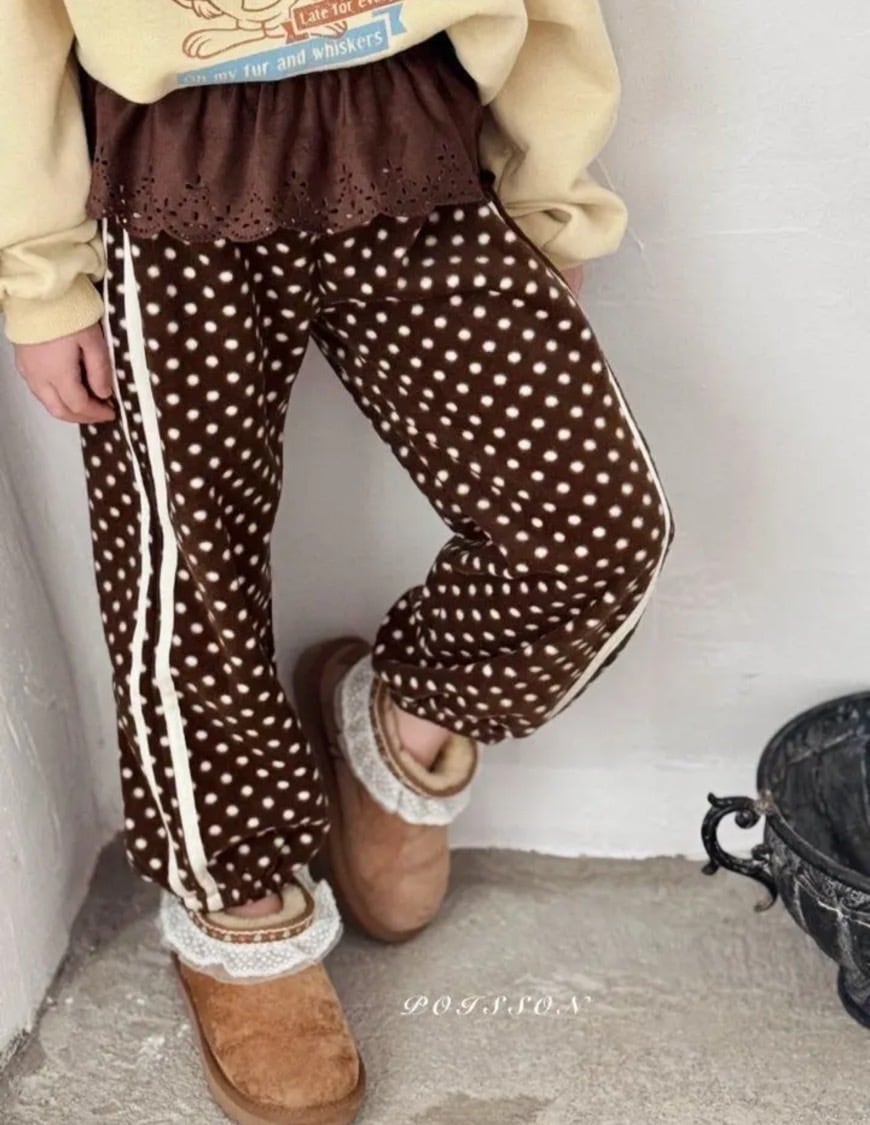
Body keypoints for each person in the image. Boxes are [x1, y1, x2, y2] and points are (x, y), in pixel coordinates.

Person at [1, 1, 674, 1121]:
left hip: (414, 131)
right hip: (169, 166)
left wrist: (547, 194)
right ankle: (237, 895)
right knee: (185, 575)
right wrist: (39, 273)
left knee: (590, 527)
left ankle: (403, 717)